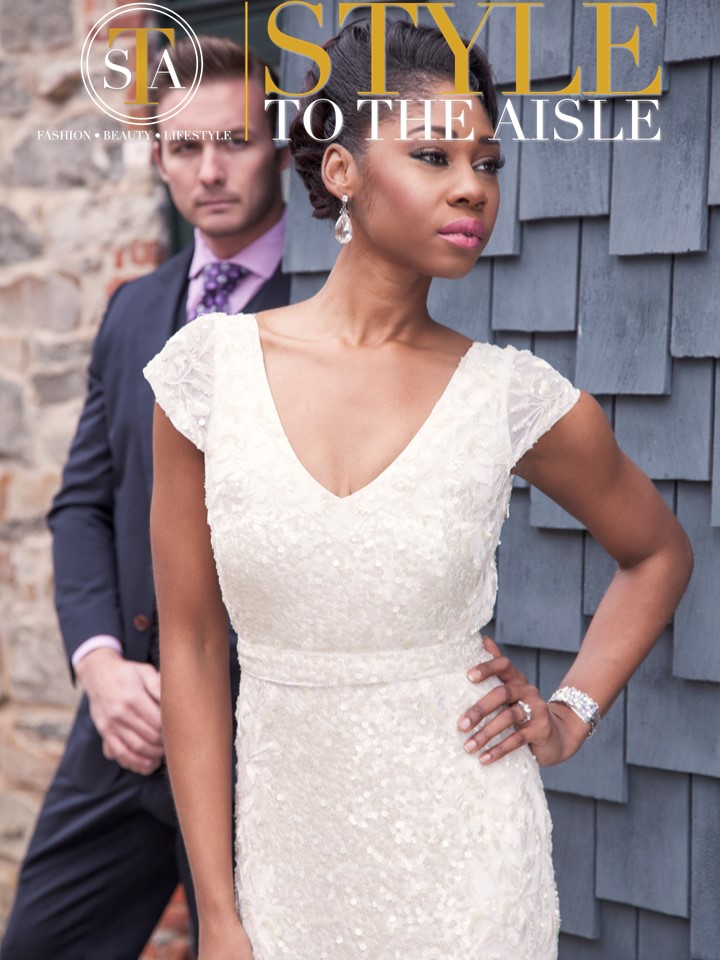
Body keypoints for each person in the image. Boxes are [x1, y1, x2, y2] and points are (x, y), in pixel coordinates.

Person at [144, 19, 693, 960]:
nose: (472, 186)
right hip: (284, 871)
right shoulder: (208, 376)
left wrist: (570, 715)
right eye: (434, 155)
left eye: (488, 163)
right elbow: (191, 646)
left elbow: (658, 553)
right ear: (344, 170)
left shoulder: (512, 397)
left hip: (468, 867)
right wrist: (220, 914)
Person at [1, 37, 291, 960]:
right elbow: (82, 505)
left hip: (261, 746)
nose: (211, 170)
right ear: (158, 157)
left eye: (235, 141)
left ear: (282, 146)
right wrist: (98, 667)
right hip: (124, 724)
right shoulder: (132, 309)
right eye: (185, 146)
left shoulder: (326, 307)